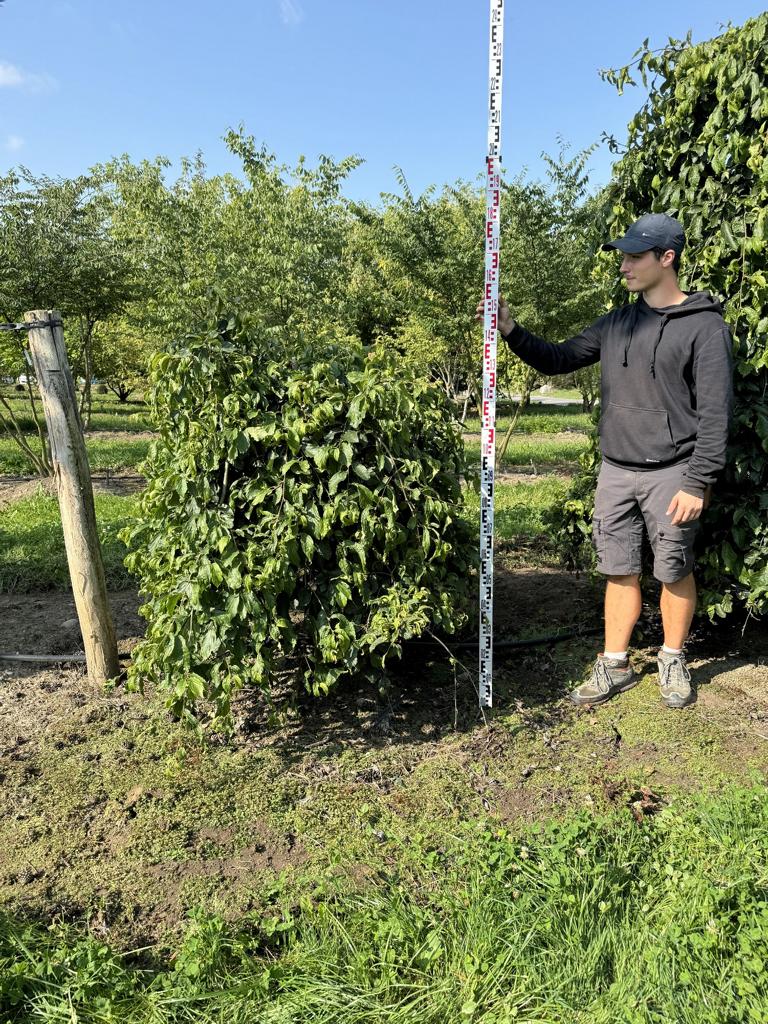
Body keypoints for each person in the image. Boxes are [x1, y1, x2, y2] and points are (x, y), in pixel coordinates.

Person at [477, 213, 733, 708]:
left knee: (673, 569)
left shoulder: (704, 328)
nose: (625, 265)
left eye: (635, 256)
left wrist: (698, 482)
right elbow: (558, 358)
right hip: (616, 470)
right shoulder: (617, 323)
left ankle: (672, 658)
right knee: (618, 569)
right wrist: (510, 329)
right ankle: (615, 664)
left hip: (673, 473)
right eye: (623, 255)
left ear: (667, 258)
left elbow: (717, 415)